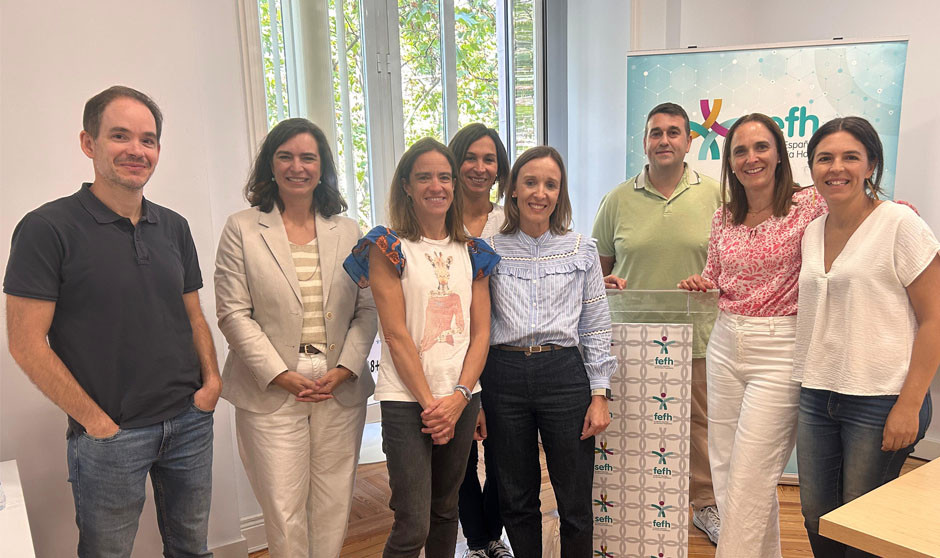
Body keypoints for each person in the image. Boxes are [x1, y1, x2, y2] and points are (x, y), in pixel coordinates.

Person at [4, 86, 220, 558]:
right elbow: (25, 342)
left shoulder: (175, 226)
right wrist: (96, 422)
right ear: (89, 143)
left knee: (192, 549)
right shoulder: (47, 229)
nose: (136, 150)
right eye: (120, 136)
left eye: (148, 139)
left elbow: (193, 314)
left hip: (188, 421)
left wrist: (211, 384)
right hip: (110, 437)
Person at [214, 118, 377, 558]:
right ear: (270, 164)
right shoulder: (242, 228)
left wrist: (346, 368)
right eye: (285, 156)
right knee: (284, 509)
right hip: (271, 386)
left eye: (308, 157)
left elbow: (367, 309)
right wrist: (280, 374)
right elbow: (233, 313)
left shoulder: (349, 231)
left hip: (337, 385)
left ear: (322, 167)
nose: (297, 166)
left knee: (333, 501)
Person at [678, 113, 826, 558]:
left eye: (761, 147)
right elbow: (717, 277)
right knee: (724, 470)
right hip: (725, 342)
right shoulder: (724, 216)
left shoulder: (810, 206)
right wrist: (701, 284)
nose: (751, 157)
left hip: (780, 347)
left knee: (750, 477)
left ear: (779, 154)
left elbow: (866, 216)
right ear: (731, 161)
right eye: (740, 150)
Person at [343, 138, 499, 558]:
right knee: (413, 520)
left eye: (444, 177)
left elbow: (481, 333)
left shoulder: (475, 251)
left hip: (462, 398)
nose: (437, 185)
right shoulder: (386, 246)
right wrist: (434, 406)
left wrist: (460, 398)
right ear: (407, 186)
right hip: (407, 401)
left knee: (447, 511)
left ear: (455, 186)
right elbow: (394, 335)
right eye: (424, 176)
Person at [794, 116, 940, 557]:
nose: (836, 168)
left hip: (880, 399)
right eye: (825, 158)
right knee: (817, 516)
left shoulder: (900, 223)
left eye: (850, 157)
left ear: (871, 164)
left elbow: (934, 319)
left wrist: (909, 406)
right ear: (813, 169)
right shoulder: (812, 232)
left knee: (862, 529)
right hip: (818, 394)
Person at [591, 102, 722, 544]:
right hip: (628, 340)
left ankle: (705, 505)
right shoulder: (616, 200)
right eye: (655, 133)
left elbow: (729, 264)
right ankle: (634, 502)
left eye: (673, 132)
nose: (663, 140)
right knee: (629, 424)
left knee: (698, 425)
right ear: (644, 142)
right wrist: (604, 281)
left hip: (697, 337)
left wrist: (710, 280)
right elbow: (596, 270)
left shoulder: (716, 195)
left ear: (689, 141)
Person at [482, 145, 615, 558]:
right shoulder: (486, 249)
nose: (541, 192)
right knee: (516, 497)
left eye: (551, 184)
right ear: (514, 190)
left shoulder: (582, 249)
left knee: (574, 498)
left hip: (564, 375)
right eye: (531, 182)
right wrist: (474, 397)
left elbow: (594, 324)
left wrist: (599, 394)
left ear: (560, 193)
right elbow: (475, 327)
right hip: (502, 375)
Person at [448, 123, 514, 558]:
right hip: (452, 352)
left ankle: (494, 534)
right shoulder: (437, 215)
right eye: (470, 157)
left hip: (504, 352)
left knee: (507, 453)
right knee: (460, 458)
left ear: (499, 168)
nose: (479, 166)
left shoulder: (510, 219)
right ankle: (476, 539)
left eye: (489, 159)